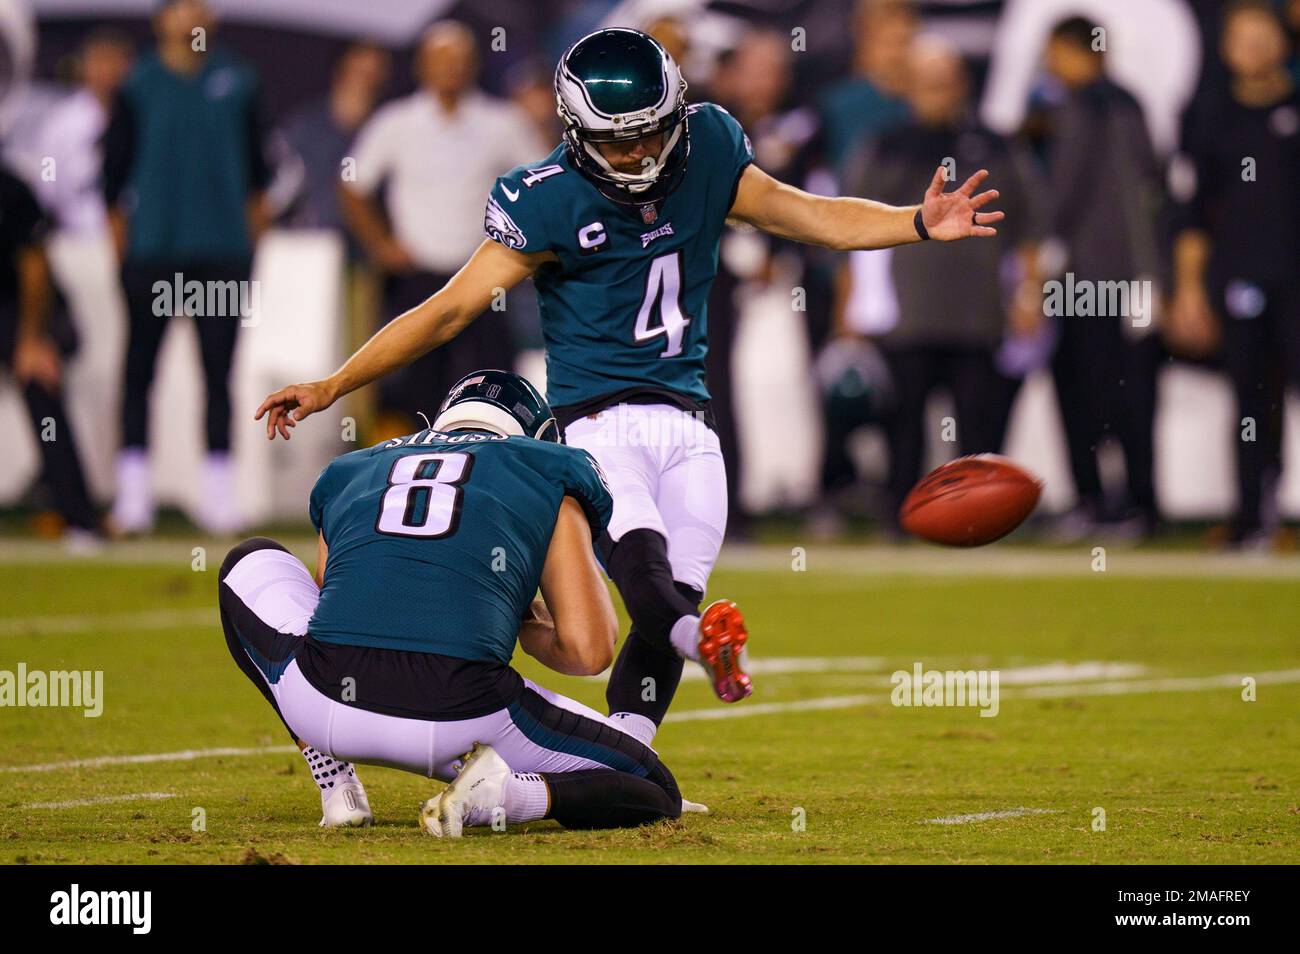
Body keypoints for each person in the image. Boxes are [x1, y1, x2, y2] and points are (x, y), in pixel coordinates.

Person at [255, 28, 1002, 748]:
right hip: (597, 427)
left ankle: (630, 752)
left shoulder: (708, 144)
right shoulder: (544, 197)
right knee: (646, 580)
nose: (642, 151)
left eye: (653, 130)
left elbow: (809, 217)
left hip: (691, 424)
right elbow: (448, 307)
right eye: (621, 138)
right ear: (578, 132)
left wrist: (916, 223)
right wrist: (334, 383)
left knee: (673, 600)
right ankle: (703, 650)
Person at [221, 370, 690, 834]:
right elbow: (589, 651)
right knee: (653, 785)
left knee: (246, 560)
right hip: (463, 718)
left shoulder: (351, 471)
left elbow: (330, 594)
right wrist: (521, 613)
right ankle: (502, 796)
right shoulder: (547, 470)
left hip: (325, 704)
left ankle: (334, 779)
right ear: (539, 435)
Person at [838, 37, 1045, 528]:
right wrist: (851, 308)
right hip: (906, 314)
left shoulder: (994, 144)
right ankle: (900, 519)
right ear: (909, 87)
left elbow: (1029, 228)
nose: (938, 92)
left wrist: (1028, 295)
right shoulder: (885, 146)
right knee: (902, 428)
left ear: (962, 85)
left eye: (945, 82)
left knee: (978, 428)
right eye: (928, 82)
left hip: (978, 312)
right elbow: (848, 227)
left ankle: (978, 520)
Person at [103, 0, 271, 535]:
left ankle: (218, 494)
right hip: (153, 255)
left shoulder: (237, 82)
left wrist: (248, 249)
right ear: (161, 19)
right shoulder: (137, 85)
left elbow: (259, 179)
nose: (191, 17)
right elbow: (112, 180)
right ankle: (132, 495)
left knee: (217, 373)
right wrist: (125, 255)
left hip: (220, 257)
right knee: (139, 370)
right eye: (180, 7)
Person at [340, 21, 545, 433]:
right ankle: (422, 475)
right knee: (418, 388)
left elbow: (542, 181)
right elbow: (352, 183)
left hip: (484, 276)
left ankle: (493, 470)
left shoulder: (501, 122)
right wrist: (381, 245)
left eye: (458, 60)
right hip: (418, 274)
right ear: (421, 66)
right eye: (440, 60)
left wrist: (522, 248)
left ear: (473, 65)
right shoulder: (397, 122)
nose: (449, 69)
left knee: (495, 385)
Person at [1167, 0, 1300, 547]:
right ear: (1223, 49)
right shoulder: (1210, 122)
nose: (1254, 46)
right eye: (1241, 37)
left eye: (1262, 35)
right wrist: (1190, 290)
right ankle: (1251, 518)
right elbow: (1194, 216)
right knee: (1250, 400)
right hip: (1240, 278)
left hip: (1296, 281)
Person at [1039, 16, 1166, 540]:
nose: (1048, 64)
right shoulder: (1129, 104)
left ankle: (1096, 502)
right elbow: (1152, 188)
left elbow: (1061, 194)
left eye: (1054, 53)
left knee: (1082, 393)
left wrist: (1032, 242)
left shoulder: (1077, 108)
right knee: (1131, 393)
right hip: (1129, 277)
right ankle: (1139, 503)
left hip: (1083, 278)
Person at [0, 165, 100, 547]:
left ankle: (78, 519)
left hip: (25, 309)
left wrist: (31, 339)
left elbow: (34, 266)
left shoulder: (10, 190)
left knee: (39, 381)